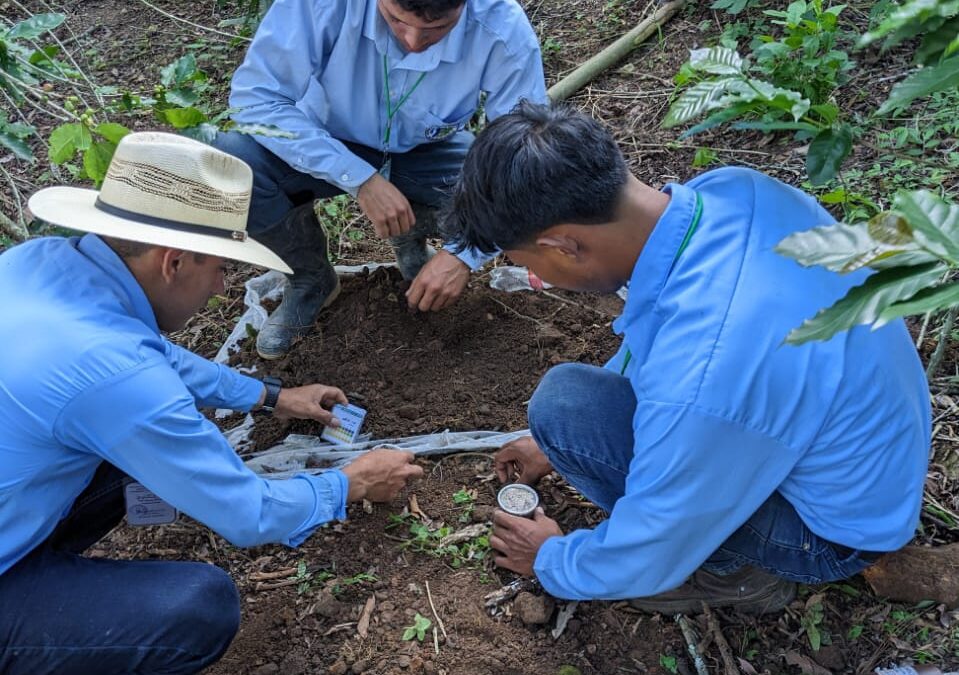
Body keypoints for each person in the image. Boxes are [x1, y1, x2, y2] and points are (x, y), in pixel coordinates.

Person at [444, 102, 932, 614]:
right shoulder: (734, 191)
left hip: (834, 532)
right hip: (874, 459)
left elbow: (654, 543)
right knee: (568, 409)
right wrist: (558, 444)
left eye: (526, 263)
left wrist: (550, 558)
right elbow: (662, 328)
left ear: (562, 245)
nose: (537, 278)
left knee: (568, 411)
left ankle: (738, 578)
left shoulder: (708, 374)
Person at [0, 132, 423, 674]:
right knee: (199, 608)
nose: (224, 287)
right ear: (173, 262)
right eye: (221, 267)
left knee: (132, 455)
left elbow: (147, 355)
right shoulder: (119, 378)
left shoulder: (38, 262)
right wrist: (351, 484)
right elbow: (249, 516)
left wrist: (273, 397)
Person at [213, 0, 547, 360]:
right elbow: (258, 100)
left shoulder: (500, 24)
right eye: (395, 21)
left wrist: (464, 256)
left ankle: (412, 233)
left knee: (512, 195)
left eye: (438, 30)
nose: (415, 41)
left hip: (428, 148)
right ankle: (311, 280)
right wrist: (361, 179)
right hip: (329, 138)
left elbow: (520, 157)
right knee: (238, 165)